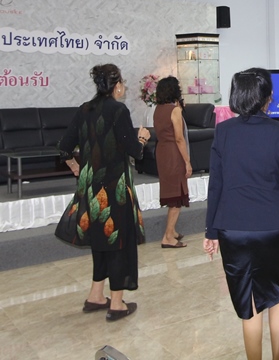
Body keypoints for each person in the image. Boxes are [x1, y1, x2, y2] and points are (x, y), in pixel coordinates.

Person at [203, 68, 279, 360]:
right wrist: (277, 195)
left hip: (233, 229)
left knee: (249, 308)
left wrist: (211, 232)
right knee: (277, 298)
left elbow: (216, 185)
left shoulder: (223, 131)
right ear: (267, 97)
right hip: (275, 226)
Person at [58, 63, 150, 321]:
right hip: (114, 190)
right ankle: (117, 304)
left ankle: (96, 296)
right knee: (118, 242)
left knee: (99, 240)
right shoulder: (118, 110)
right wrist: (142, 138)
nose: (124, 87)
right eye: (122, 83)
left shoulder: (84, 109)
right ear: (116, 85)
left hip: (91, 188)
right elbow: (134, 151)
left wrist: (75, 166)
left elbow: (64, 147)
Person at [154, 76, 192, 248]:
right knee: (177, 195)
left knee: (171, 191)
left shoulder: (157, 109)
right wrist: (187, 161)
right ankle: (168, 237)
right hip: (173, 153)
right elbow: (179, 138)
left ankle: (173, 231)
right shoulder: (174, 110)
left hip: (162, 152)